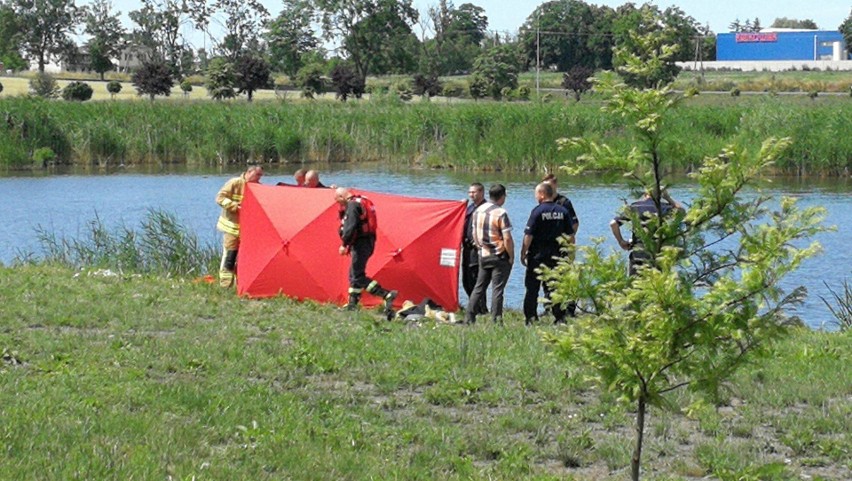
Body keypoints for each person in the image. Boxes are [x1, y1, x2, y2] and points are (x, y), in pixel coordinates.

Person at [335, 187, 398, 317]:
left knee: (357, 275)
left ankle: (385, 294)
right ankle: (352, 304)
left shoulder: (352, 206)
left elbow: (350, 228)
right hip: (368, 242)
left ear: (341, 197)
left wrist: (344, 244)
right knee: (354, 273)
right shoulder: (361, 201)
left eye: (337, 201)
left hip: (360, 244)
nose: (338, 204)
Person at [520, 182, 574, 324]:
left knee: (532, 288)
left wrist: (523, 252)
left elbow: (528, 235)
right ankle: (560, 317)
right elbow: (570, 236)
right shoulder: (563, 212)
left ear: (542, 194)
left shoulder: (537, 211)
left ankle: (531, 317)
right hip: (557, 256)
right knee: (555, 287)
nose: (535, 196)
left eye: (536, 194)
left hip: (538, 256)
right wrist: (571, 253)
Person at [464, 184, 514, 325]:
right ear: (502, 196)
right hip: (499, 254)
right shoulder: (501, 213)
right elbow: (507, 238)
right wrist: (511, 256)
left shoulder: (477, 211)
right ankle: (496, 320)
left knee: (479, 287)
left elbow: (474, 234)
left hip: (483, 254)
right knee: (497, 289)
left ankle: (469, 317)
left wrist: (480, 247)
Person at [610, 189, 684, 276]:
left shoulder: (635, 206)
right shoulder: (665, 208)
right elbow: (682, 212)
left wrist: (621, 241)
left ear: (645, 193)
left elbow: (613, 223)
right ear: (661, 195)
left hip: (638, 254)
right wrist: (668, 198)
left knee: (635, 287)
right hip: (659, 254)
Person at [215, 165, 263, 287]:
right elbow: (220, 198)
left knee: (244, 258)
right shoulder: (235, 182)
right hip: (231, 227)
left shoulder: (258, 187)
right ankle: (225, 285)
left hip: (246, 230)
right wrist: (235, 207)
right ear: (249, 172)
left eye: (260, 175)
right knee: (230, 255)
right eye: (257, 175)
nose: (259, 177)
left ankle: (240, 284)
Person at [462, 182, 487, 316]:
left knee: (477, 279)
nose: (471, 195)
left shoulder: (485, 208)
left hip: (477, 249)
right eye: (470, 192)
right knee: (466, 281)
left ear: (481, 192)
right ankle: (474, 306)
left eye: (474, 192)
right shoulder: (469, 208)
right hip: (466, 249)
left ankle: (482, 309)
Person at [542, 173, 579, 237]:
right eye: (545, 186)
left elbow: (575, 223)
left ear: (556, 185)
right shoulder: (542, 201)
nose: (547, 188)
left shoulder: (564, 202)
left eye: (549, 185)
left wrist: (567, 241)